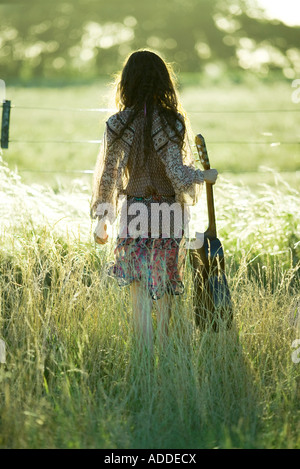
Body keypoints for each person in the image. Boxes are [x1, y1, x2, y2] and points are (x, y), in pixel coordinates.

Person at [90, 50, 218, 351]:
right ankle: (164, 353)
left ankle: (144, 356)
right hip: (168, 213)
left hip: (135, 211)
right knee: (166, 284)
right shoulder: (172, 122)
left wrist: (102, 218)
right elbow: (177, 173)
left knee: (138, 287)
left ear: (127, 83)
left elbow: (109, 174)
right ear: (163, 81)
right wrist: (204, 176)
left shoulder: (118, 124)